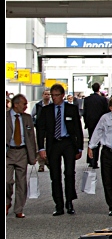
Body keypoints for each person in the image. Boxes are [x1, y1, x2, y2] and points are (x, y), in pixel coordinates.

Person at [34, 83, 84, 216]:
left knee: (69, 173)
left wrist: (79, 147)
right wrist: (41, 148)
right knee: (55, 175)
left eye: (56, 95)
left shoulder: (71, 109)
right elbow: (41, 130)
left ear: (62, 95)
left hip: (68, 143)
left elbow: (77, 128)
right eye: (52, 95)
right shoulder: (46, 110)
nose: (54, 98)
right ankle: (59, 204)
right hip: (54, 144)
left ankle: (69, 202)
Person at [6, 94, 38, 219]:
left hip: (22, 152)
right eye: (24, 104)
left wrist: (34, 155)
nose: (26, 106)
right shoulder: (7, 117)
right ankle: (7, 202)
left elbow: (31, 137)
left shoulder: (27, 118)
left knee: (21, 182)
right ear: (16, 104)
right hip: (8, 152)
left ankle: (19, 209)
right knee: (7, 181)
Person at [82, 82, 109, 169]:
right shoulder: (103, 99)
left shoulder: (87, 99)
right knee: (98, 141)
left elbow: (84, 112)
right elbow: (106, 111)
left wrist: (86, 122)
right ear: (99, 88)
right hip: (100, 123)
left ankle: (90, 160)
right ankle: (95, 161)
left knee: (91, 140)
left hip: (90, 123)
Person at [32, 88, 51, 172]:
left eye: (48, 94)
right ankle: (41, 164)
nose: (47, 96)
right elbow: (31, 115)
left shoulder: (52, 105)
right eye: (45, 94)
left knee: (50, 146)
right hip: (40, 129)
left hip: (50, 129)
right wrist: (35, 123)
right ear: (42, 95)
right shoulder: (38, 105)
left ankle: (49, 161)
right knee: (40, 146)